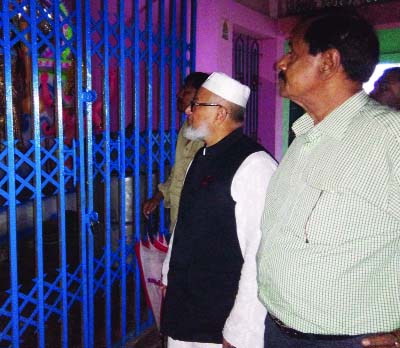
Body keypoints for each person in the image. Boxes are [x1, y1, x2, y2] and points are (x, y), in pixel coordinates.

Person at [257, 10, 400, 348]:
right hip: (278, 330)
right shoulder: (305, 136)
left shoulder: (389, 137)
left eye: (293, 51)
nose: (281, 62)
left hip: (347, 341)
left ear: (328, 62)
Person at [160, 72, 277, 348]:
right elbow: (185, 225)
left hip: (221, 316)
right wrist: (169, 274)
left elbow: (259, 254)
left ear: (220, 113)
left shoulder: (255, 166)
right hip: (186, 303)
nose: (188, 110)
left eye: (197, 104)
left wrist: (241, 328)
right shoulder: (200, 156)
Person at [143, 72, 209, 231]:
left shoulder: (210, 134)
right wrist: (157, 197)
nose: (179, 95)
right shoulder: (185, 129)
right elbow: (177, 172)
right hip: (178, 217)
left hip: (199, 220)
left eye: (186, 92)